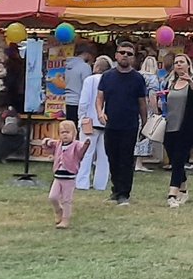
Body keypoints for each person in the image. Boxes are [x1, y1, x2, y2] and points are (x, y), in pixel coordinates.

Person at [95, 40, 147, 206]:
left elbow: (142, 103)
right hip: (111, 124)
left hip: (130, 124)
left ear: (133, 58)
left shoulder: (138, 78)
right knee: (112, 158)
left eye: (129, 54)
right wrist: (100, 112)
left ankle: (124, 193)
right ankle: (115, 190)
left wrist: (145, 124)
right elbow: (100, 98)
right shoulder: (107, 76)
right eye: (122, 52)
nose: (125, 56)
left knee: (126, 159)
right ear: (116, 55)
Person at [162, 53, 193, 208]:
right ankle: (184, 189)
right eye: (176, 62)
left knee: (178, 159)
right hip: (170, 126)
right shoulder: (170, 82)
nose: (178, 65)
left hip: (185, 127)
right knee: (174, 159)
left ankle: (172, 194)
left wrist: (190, 81)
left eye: (181, 62)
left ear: (188, 65)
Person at [43, 121, 90, 229]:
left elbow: (81, 151)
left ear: (74, 134)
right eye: (62, 132)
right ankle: (58, 210)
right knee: (52, 197)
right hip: (58, 177)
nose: (65, 135)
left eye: (67, 132)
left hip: (69, 178)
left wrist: (86, 145)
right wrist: (47, 141)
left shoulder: (76, 145)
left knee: (66, 200)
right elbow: (48, 145)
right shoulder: (58, 144)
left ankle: (65, 219)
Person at [75, 56, 112, 191]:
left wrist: (81, 118)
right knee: (104, 156)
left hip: (89, 121)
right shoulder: (111, 80)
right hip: (106, 121)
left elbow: (84, 101)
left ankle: (82, 182)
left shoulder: (89, 80)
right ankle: (100, 184)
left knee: (86, 153)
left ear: (96, 67)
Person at [63, 43, 95, 125]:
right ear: (87, 54)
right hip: (79, 102)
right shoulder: (85, 67)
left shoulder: (68, 66)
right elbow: (88, 86)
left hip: (68, 100)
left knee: (71, 128)